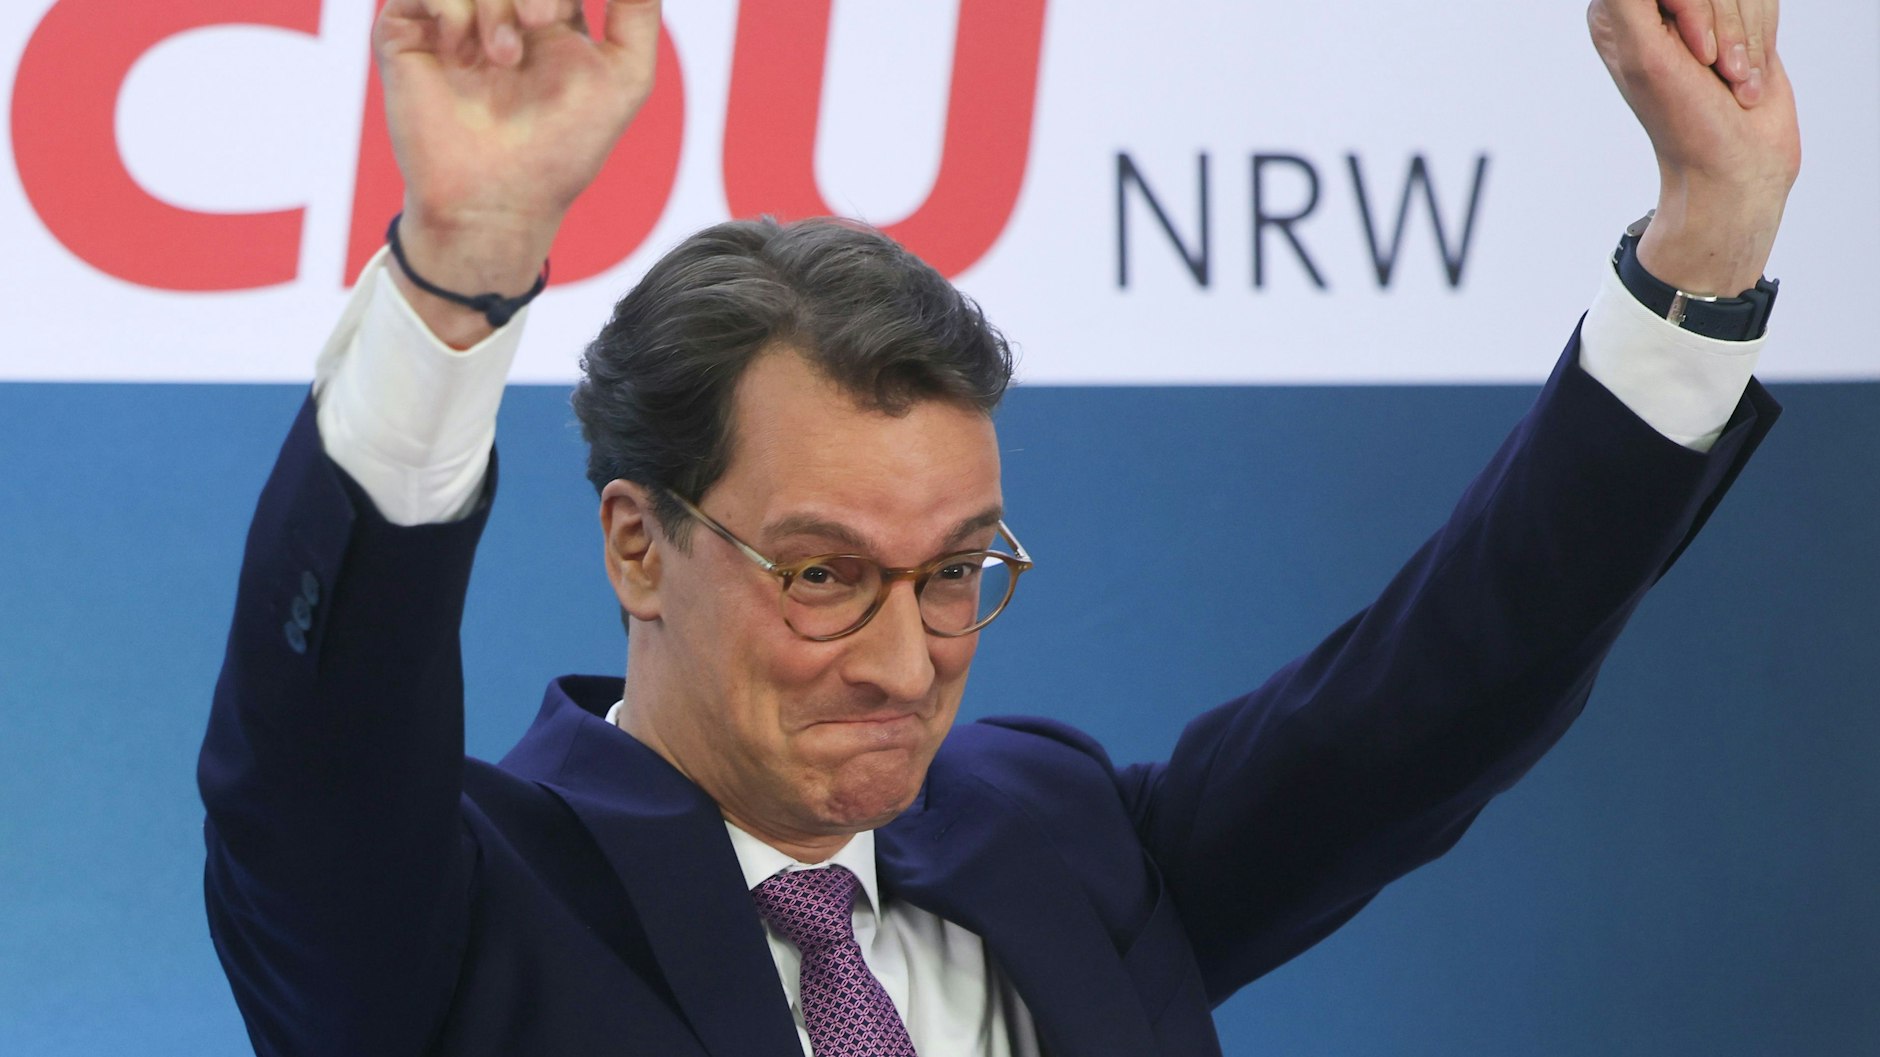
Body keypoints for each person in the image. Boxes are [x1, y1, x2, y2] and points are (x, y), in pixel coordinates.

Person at [198, 0, 1800, 1054]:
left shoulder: (1060, 838)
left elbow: (1443, 684)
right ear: (638, 544)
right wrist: (462, 269)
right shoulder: (457, 915)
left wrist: (1710, 239)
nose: (908, 662)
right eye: (824, 574)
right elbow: (307, 752)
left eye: (957, 571)